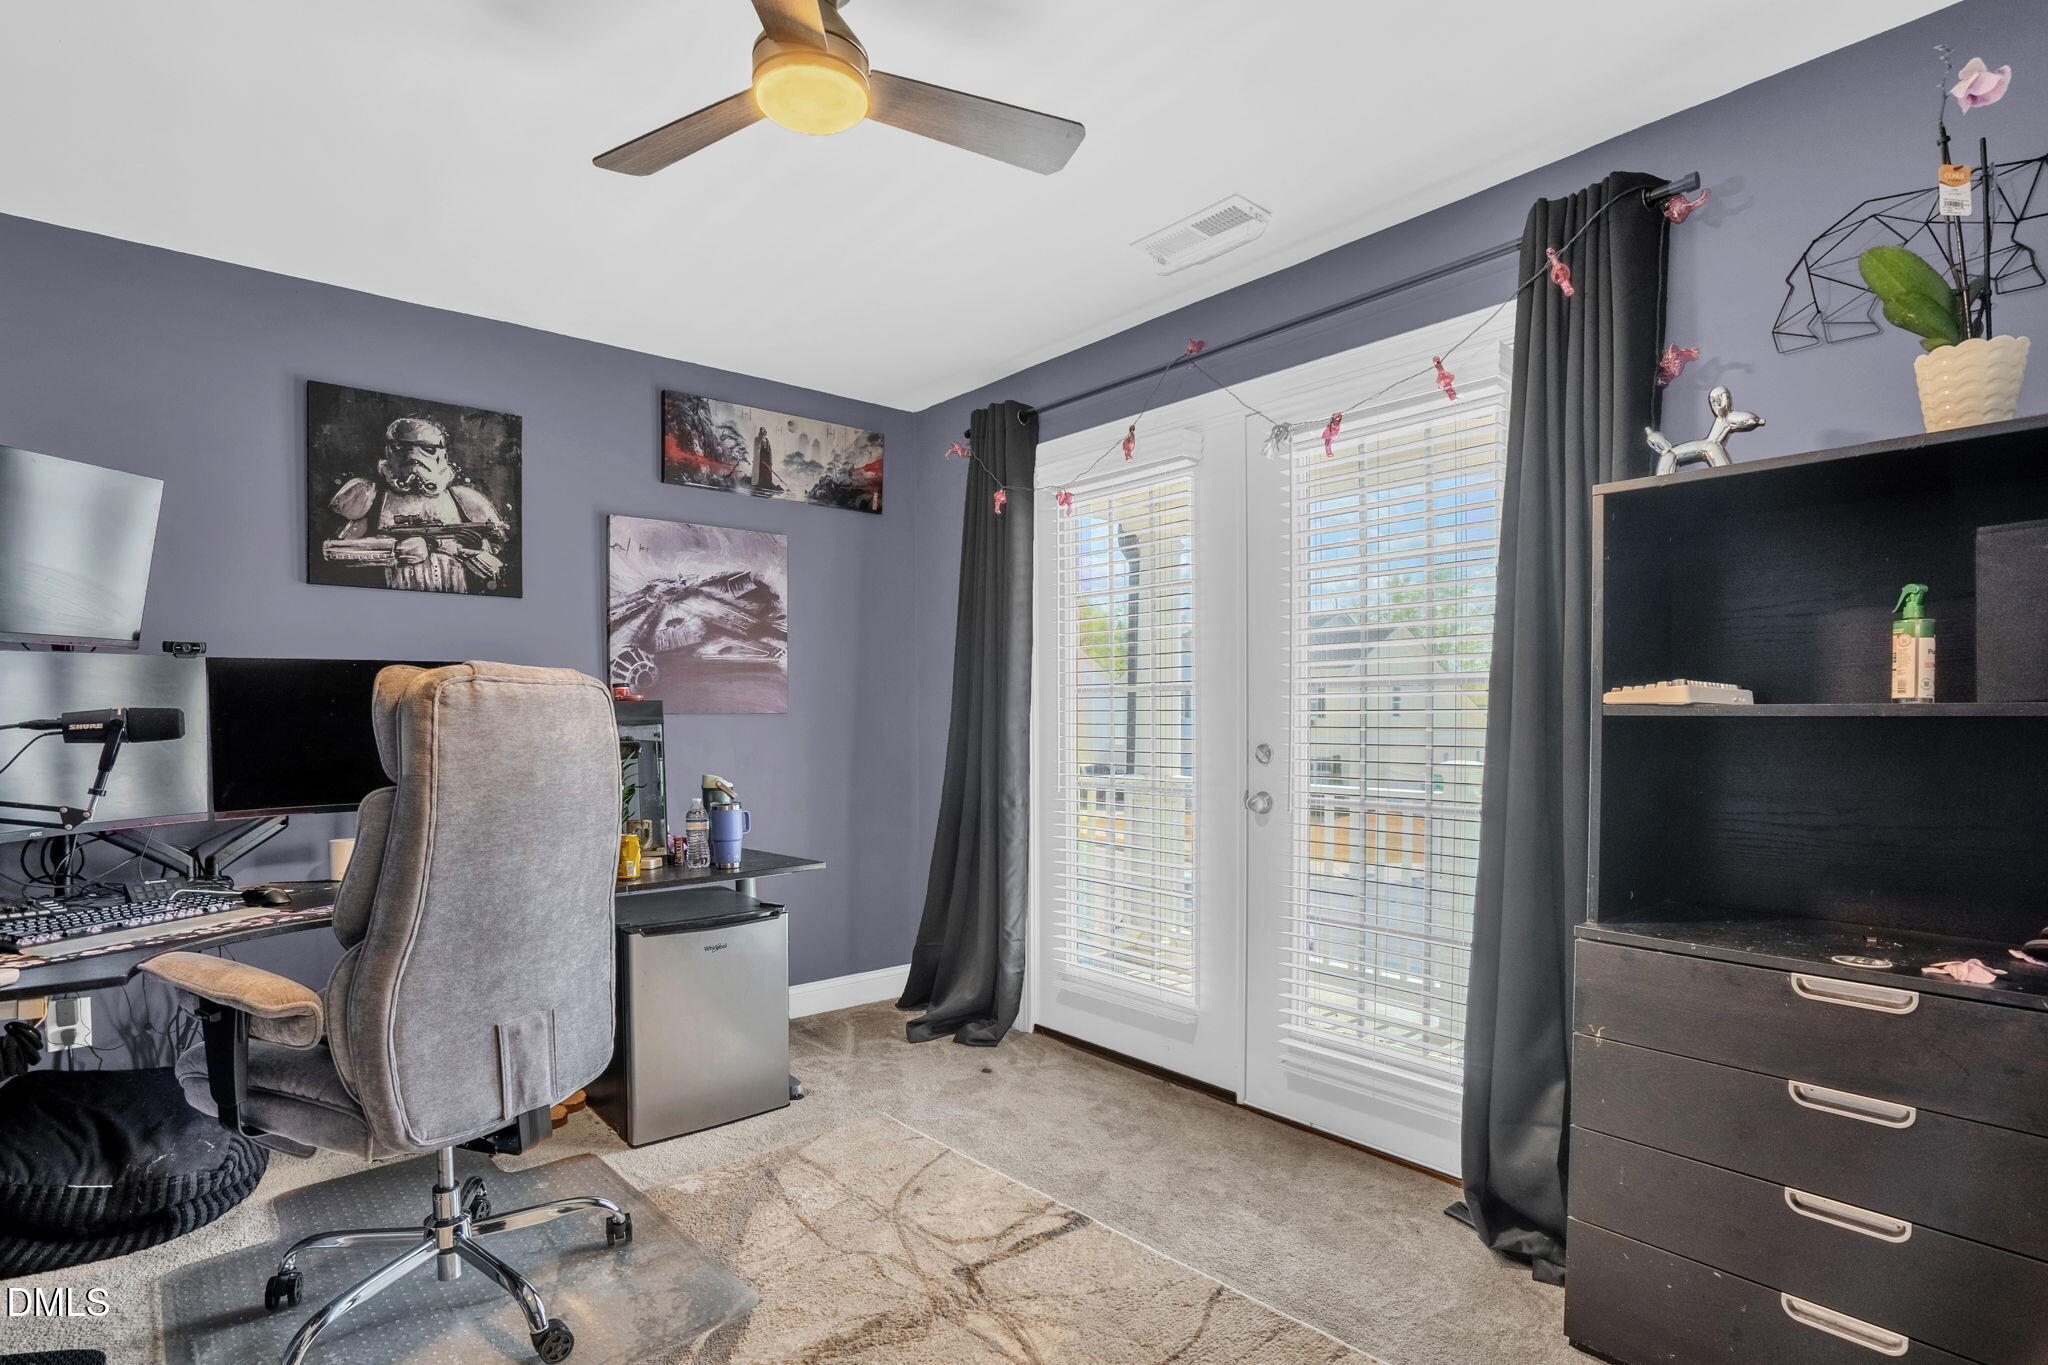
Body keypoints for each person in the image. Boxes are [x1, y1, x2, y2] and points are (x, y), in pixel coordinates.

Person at [323, 417, 510, 593]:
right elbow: (337, 552)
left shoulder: (465, 499)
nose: (413, 456)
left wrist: (442, 545)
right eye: (402, 447)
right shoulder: (370, 496)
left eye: (427, 448)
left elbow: (495, 546)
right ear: (389, 451)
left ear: (442, 455)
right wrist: (395, 550)